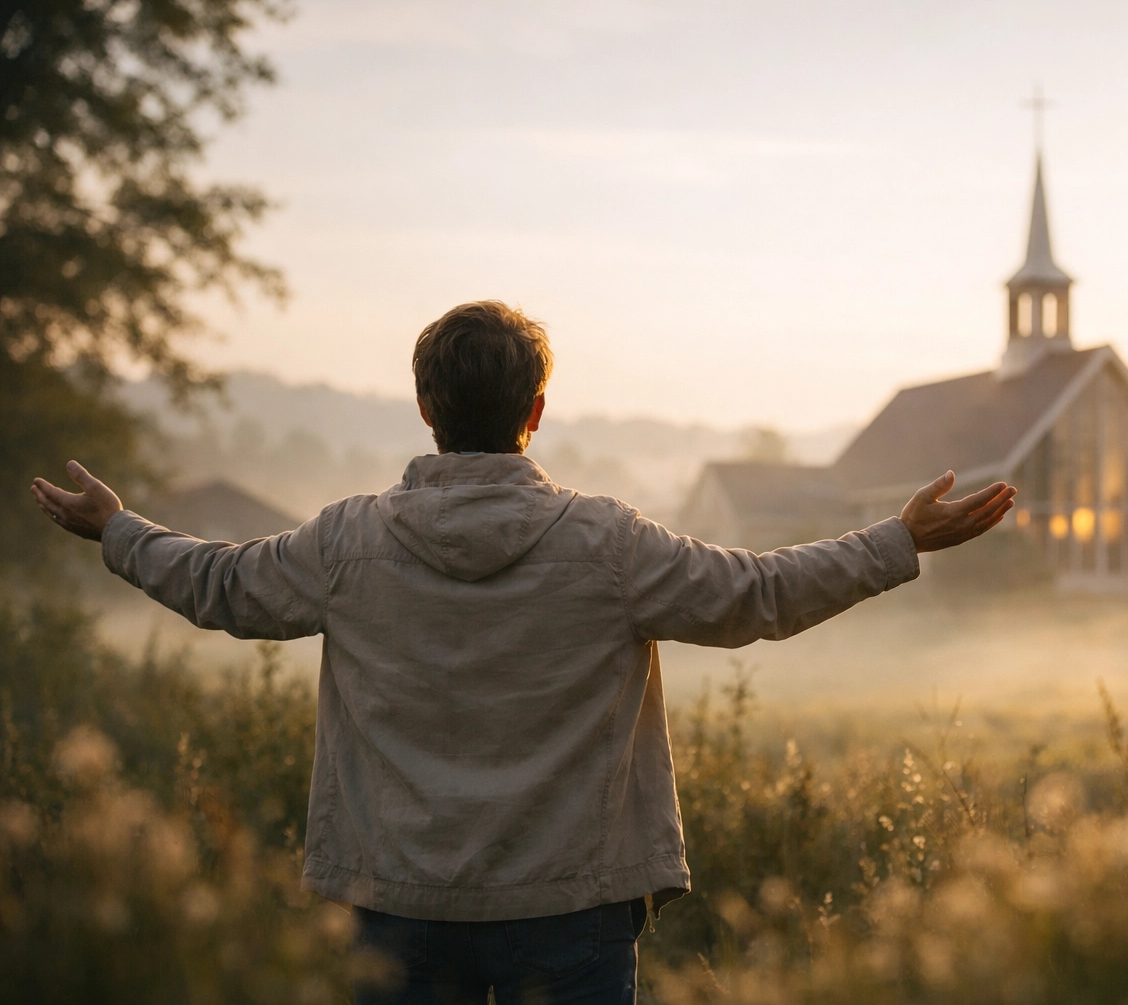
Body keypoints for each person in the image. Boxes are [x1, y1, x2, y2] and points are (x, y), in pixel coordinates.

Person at [31, 300, 1016, 1005]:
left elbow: (215, 584)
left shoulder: (344, 544)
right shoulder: (610, 544)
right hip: (573, 910)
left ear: (427, 410)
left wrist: (118, 528)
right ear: (535, 412)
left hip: (395, 907)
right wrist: (898, 540)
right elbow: (759, 595)